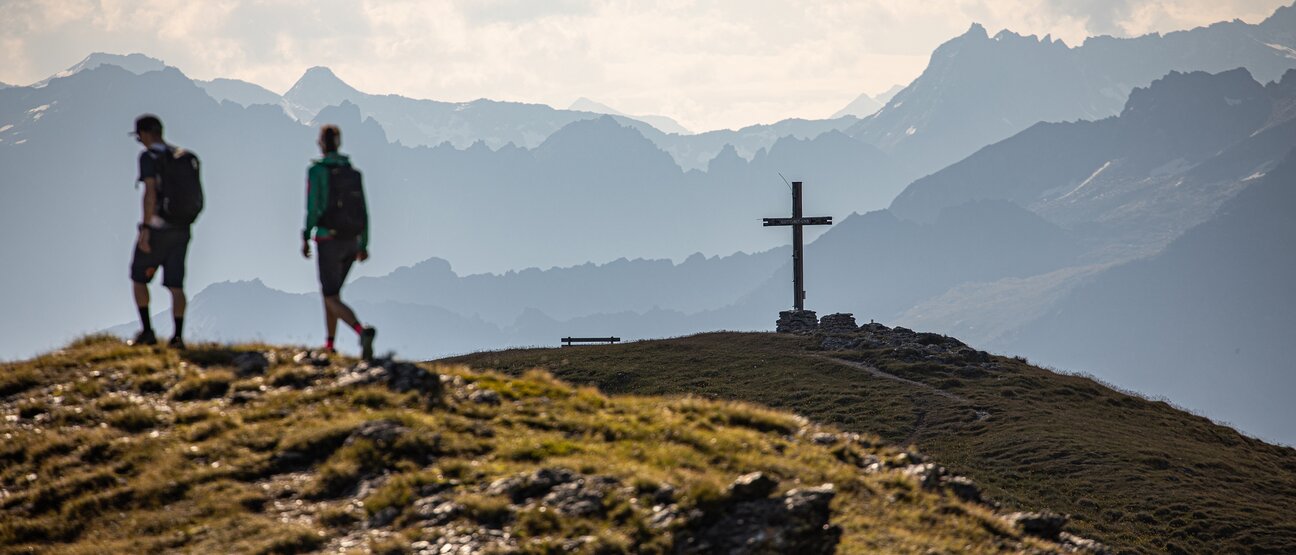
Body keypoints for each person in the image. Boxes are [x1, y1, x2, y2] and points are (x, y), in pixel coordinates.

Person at [302, 124, 377, 359]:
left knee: (329, 295)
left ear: (321, 143)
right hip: (351, 241)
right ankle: (329, 344)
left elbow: (313, 206)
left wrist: (306, 235)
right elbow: (364, 211)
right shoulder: (353, 173)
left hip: (328, 239)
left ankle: (360, 330)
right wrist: (363, 244)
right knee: (332, 294)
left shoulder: (317, 171)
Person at [129, 114, 198, 349]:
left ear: (146, 133)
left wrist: (146, 229)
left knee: (138, 277)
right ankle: (178, 337)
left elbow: (150, 193)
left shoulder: (150, 158)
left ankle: (147, 332)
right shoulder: (182, 156)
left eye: (139, 136)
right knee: (176, 286)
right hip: (182, 229)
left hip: (158, 229)